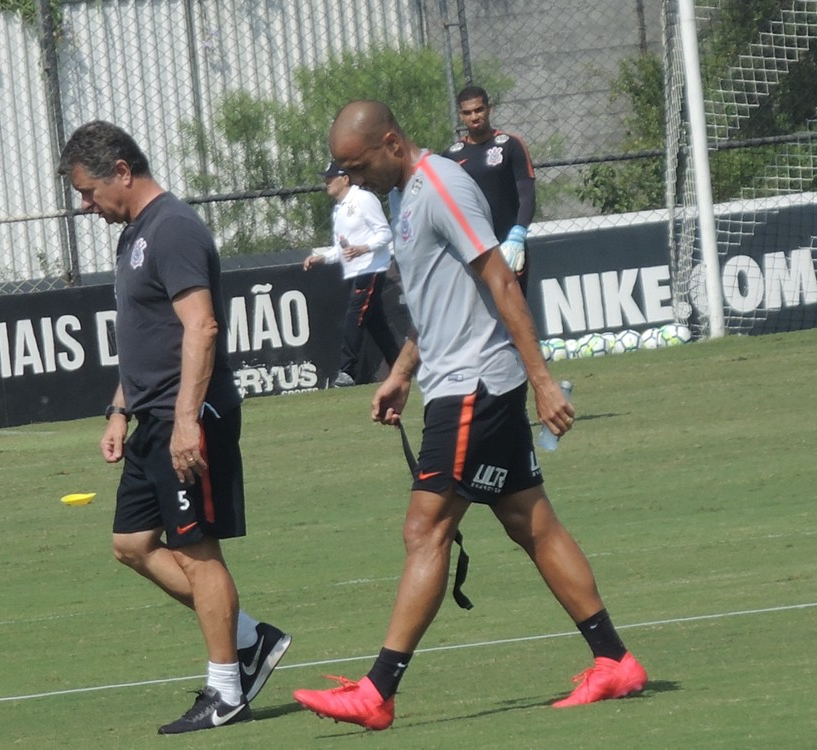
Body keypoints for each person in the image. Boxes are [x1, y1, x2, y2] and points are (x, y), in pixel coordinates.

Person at [292, 101, 646, 730]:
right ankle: (614, 659)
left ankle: (377, 692)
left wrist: (544, 380)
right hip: (464, 382)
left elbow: (499, 279)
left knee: (425, 529)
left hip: (473, 388)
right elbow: (438, 302)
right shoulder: (406, 197)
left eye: (357, 164)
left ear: (392, 143)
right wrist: (401, 374)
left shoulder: (441, 185)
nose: (352, 178)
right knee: (530, 521)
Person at [56, 121, 291, 735]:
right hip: (150, 416)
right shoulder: (132, 235)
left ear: (122, 172)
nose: (86, 205)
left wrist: (187, 419)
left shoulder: (175, 228)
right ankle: (248, 639)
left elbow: (201, 327)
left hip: (187, 417)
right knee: (132, 545)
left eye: (88, 191)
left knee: (197, 551)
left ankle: (226, 691)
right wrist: (118, 408)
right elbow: (146, 337)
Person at [303, 161, 401, 387]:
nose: (326, 182)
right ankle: (399, 366)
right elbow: (342, 248)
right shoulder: (339, 209)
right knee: (377, 325)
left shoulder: (363, 200)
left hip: (370, 268)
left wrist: (363, 248)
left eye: (331, 178)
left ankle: (346, 371)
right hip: (354, 271)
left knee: (354, 318)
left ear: (345, 179)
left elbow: (385, 233)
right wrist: (322, 258)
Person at [441, 85, 536, 294]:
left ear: (489, 109)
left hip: (507, 244)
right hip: (472, 248)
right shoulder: (450, 156)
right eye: (467, 112)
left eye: (479, 110)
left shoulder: (510, 145)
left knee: (516, 312)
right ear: (461, 115)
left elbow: (527, 194)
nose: (474, 117)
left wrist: (518, 234)